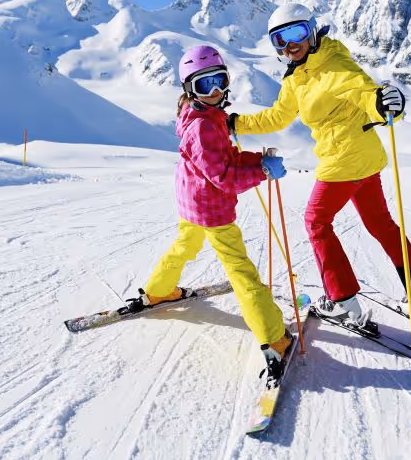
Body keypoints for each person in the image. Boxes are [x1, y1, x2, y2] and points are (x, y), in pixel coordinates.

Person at [228, 3, 411, 334]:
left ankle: (343, 302)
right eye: (280, 39)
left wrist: (382, 105)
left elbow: (363, 92)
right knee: (383, 227)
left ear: (313, 30)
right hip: (364, 162)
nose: (290, 45)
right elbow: (278, 116)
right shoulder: (298, 77)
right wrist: (237, 123)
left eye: (297, 34)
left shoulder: (335, 65)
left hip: (343, 162)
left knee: (316, 222)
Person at [125, 44, 295, 379]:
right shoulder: (203, 127)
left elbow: (225, 159)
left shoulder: (201, 116)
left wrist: (257, 160)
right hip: (212, 210)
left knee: (184, 246)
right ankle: (274, 339)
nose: (216, 91)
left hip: (191, 203)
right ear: (190, 89)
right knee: (242, 273)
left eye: (219, 80)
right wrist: (261, 171)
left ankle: (160, 291)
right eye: (205, 85)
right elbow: (224, 177)